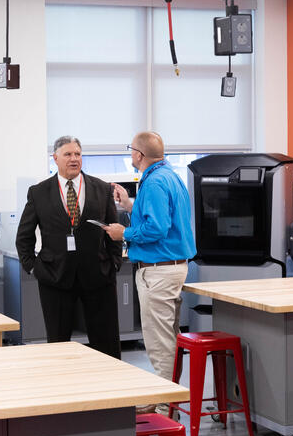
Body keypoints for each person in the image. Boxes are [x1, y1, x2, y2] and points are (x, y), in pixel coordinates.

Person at [104, 131, 196, 410]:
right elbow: (161, 216)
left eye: (131, 149)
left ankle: (165, 407)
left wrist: (123, 233)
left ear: (139, 154)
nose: (130, 154)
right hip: (171, 267)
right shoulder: (169, 176)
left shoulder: (154, 182)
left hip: (158, 271)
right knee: (167, 338)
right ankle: (166, 400)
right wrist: (129, 204)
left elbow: (157, 228)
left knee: (159, 343)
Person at [15, 136, 122, 358]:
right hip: (55, 278)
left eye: (77, 154)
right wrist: (33, 268)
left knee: (107, 343)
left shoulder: (101, 189)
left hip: (98, 276)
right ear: (55, 158)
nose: (74, 159)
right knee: (58, 344)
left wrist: (114, 264)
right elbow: (24, 237)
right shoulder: (39, 192)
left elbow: (113, 231)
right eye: (68, 154)